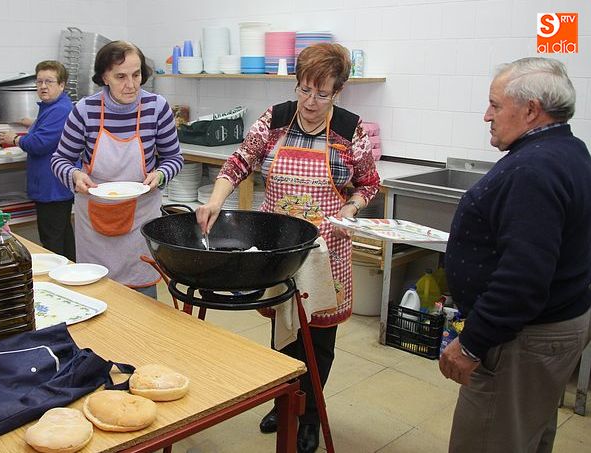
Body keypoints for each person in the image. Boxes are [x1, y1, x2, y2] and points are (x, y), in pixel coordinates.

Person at [195, 42, 379, 453]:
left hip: (324, 251)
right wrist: (214, 200)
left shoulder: (350, 132)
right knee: (284, 332)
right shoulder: (276, 121)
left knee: (319, 341)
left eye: (322, 93)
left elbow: (369, 184)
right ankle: (286, 402)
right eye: (304, 90)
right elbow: (240, 161)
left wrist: (350, 208)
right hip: (278, 248)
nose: (311, 102)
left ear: (339, 91)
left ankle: (310, 414)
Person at [439, 57, 591, 453]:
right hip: (557, 325)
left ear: (530, 110)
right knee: (527, 432)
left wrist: (472, 343)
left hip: (523, 340)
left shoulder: (534, 169)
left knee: (491, 440)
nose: (487, 115)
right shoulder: (569, 149)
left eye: (495, 104)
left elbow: (522, 279)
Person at [51, 41, 183, 298]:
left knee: (143, 303)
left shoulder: (157, 108)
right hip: (94, 220)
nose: (131, 84)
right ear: (104, 77)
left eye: (136, 75)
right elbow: (60, 160)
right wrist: (75, 175)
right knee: (97, 296)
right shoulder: (85, 111)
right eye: (120, 76)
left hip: (141, 219)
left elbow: (174, 157)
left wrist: (162, 173)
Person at [0, 60, 76, 261]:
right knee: (62, 235)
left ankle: (58, 281)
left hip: (53, 187)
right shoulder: (52, 107)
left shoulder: (60, 109)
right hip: (52, 186)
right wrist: (33, 124)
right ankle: (68, 273)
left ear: (62, 84)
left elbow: (40, 143)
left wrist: (15, 139)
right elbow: (46, 133)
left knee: (53, 240)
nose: (43, 86)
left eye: (49, 81)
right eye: (40, 81)